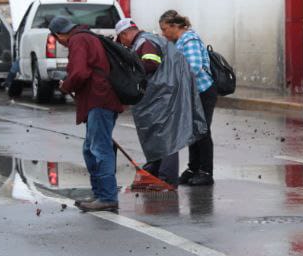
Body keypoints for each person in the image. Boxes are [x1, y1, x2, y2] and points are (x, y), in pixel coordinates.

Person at [115, 18, 207, 187]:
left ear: (124, 34)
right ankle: (156, 173)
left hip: (164, 94)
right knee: (159, 134)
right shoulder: (148, 39)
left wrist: (131, 73)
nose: (123, 43)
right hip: (166, 92)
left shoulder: (145, 42)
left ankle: (167, 179)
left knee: (166, 137)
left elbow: (150, 63)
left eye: (121, 39)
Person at [53, 15, 123, 212]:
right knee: (91, 149)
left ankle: (107, 197)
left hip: (99, 99)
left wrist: (66, 86)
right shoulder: (88, 36)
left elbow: (80, 72)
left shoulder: (78, 40)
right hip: (101, 98)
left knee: (100, 149)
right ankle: (101, 193)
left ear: (59, 36)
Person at [158, 10, 216, 186]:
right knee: (192, 131)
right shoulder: (179, 41)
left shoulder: (189, 40)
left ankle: (206, 172)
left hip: (203, 91)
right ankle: (193, 168)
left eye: (165, 29)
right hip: (191, 92)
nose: (163, 33)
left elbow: (194, 67)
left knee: (202, 131)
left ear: (175, 26)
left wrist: (174, 80)